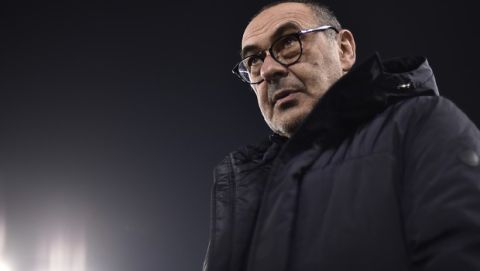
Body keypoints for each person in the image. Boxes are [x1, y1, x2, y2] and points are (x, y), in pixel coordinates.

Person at [203, 1, 480, 270]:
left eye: (288, 42)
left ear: (344, 49)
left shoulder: (419, 125)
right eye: (254, 60)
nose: (268, 70)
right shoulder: (242, 190)